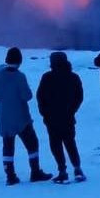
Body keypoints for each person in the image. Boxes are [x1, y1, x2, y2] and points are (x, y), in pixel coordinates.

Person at [0, 47, 52, 186]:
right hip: (21, 118)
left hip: (4, 119)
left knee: (8, 147)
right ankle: (35, 172)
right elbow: (27, 96)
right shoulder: (19, 76)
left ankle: (10, 176)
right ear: (19, 61)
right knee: (32, 144)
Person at [37, 52, 85, 184]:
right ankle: (77, 169)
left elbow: (40, 97)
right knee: (70, 142)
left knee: (56, 144)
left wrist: (45, 113)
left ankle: (62, 171)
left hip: (51, 118)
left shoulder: (47, 77)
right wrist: (72, 111)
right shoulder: (73, 77)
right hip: (68, 117)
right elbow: (79, 97)